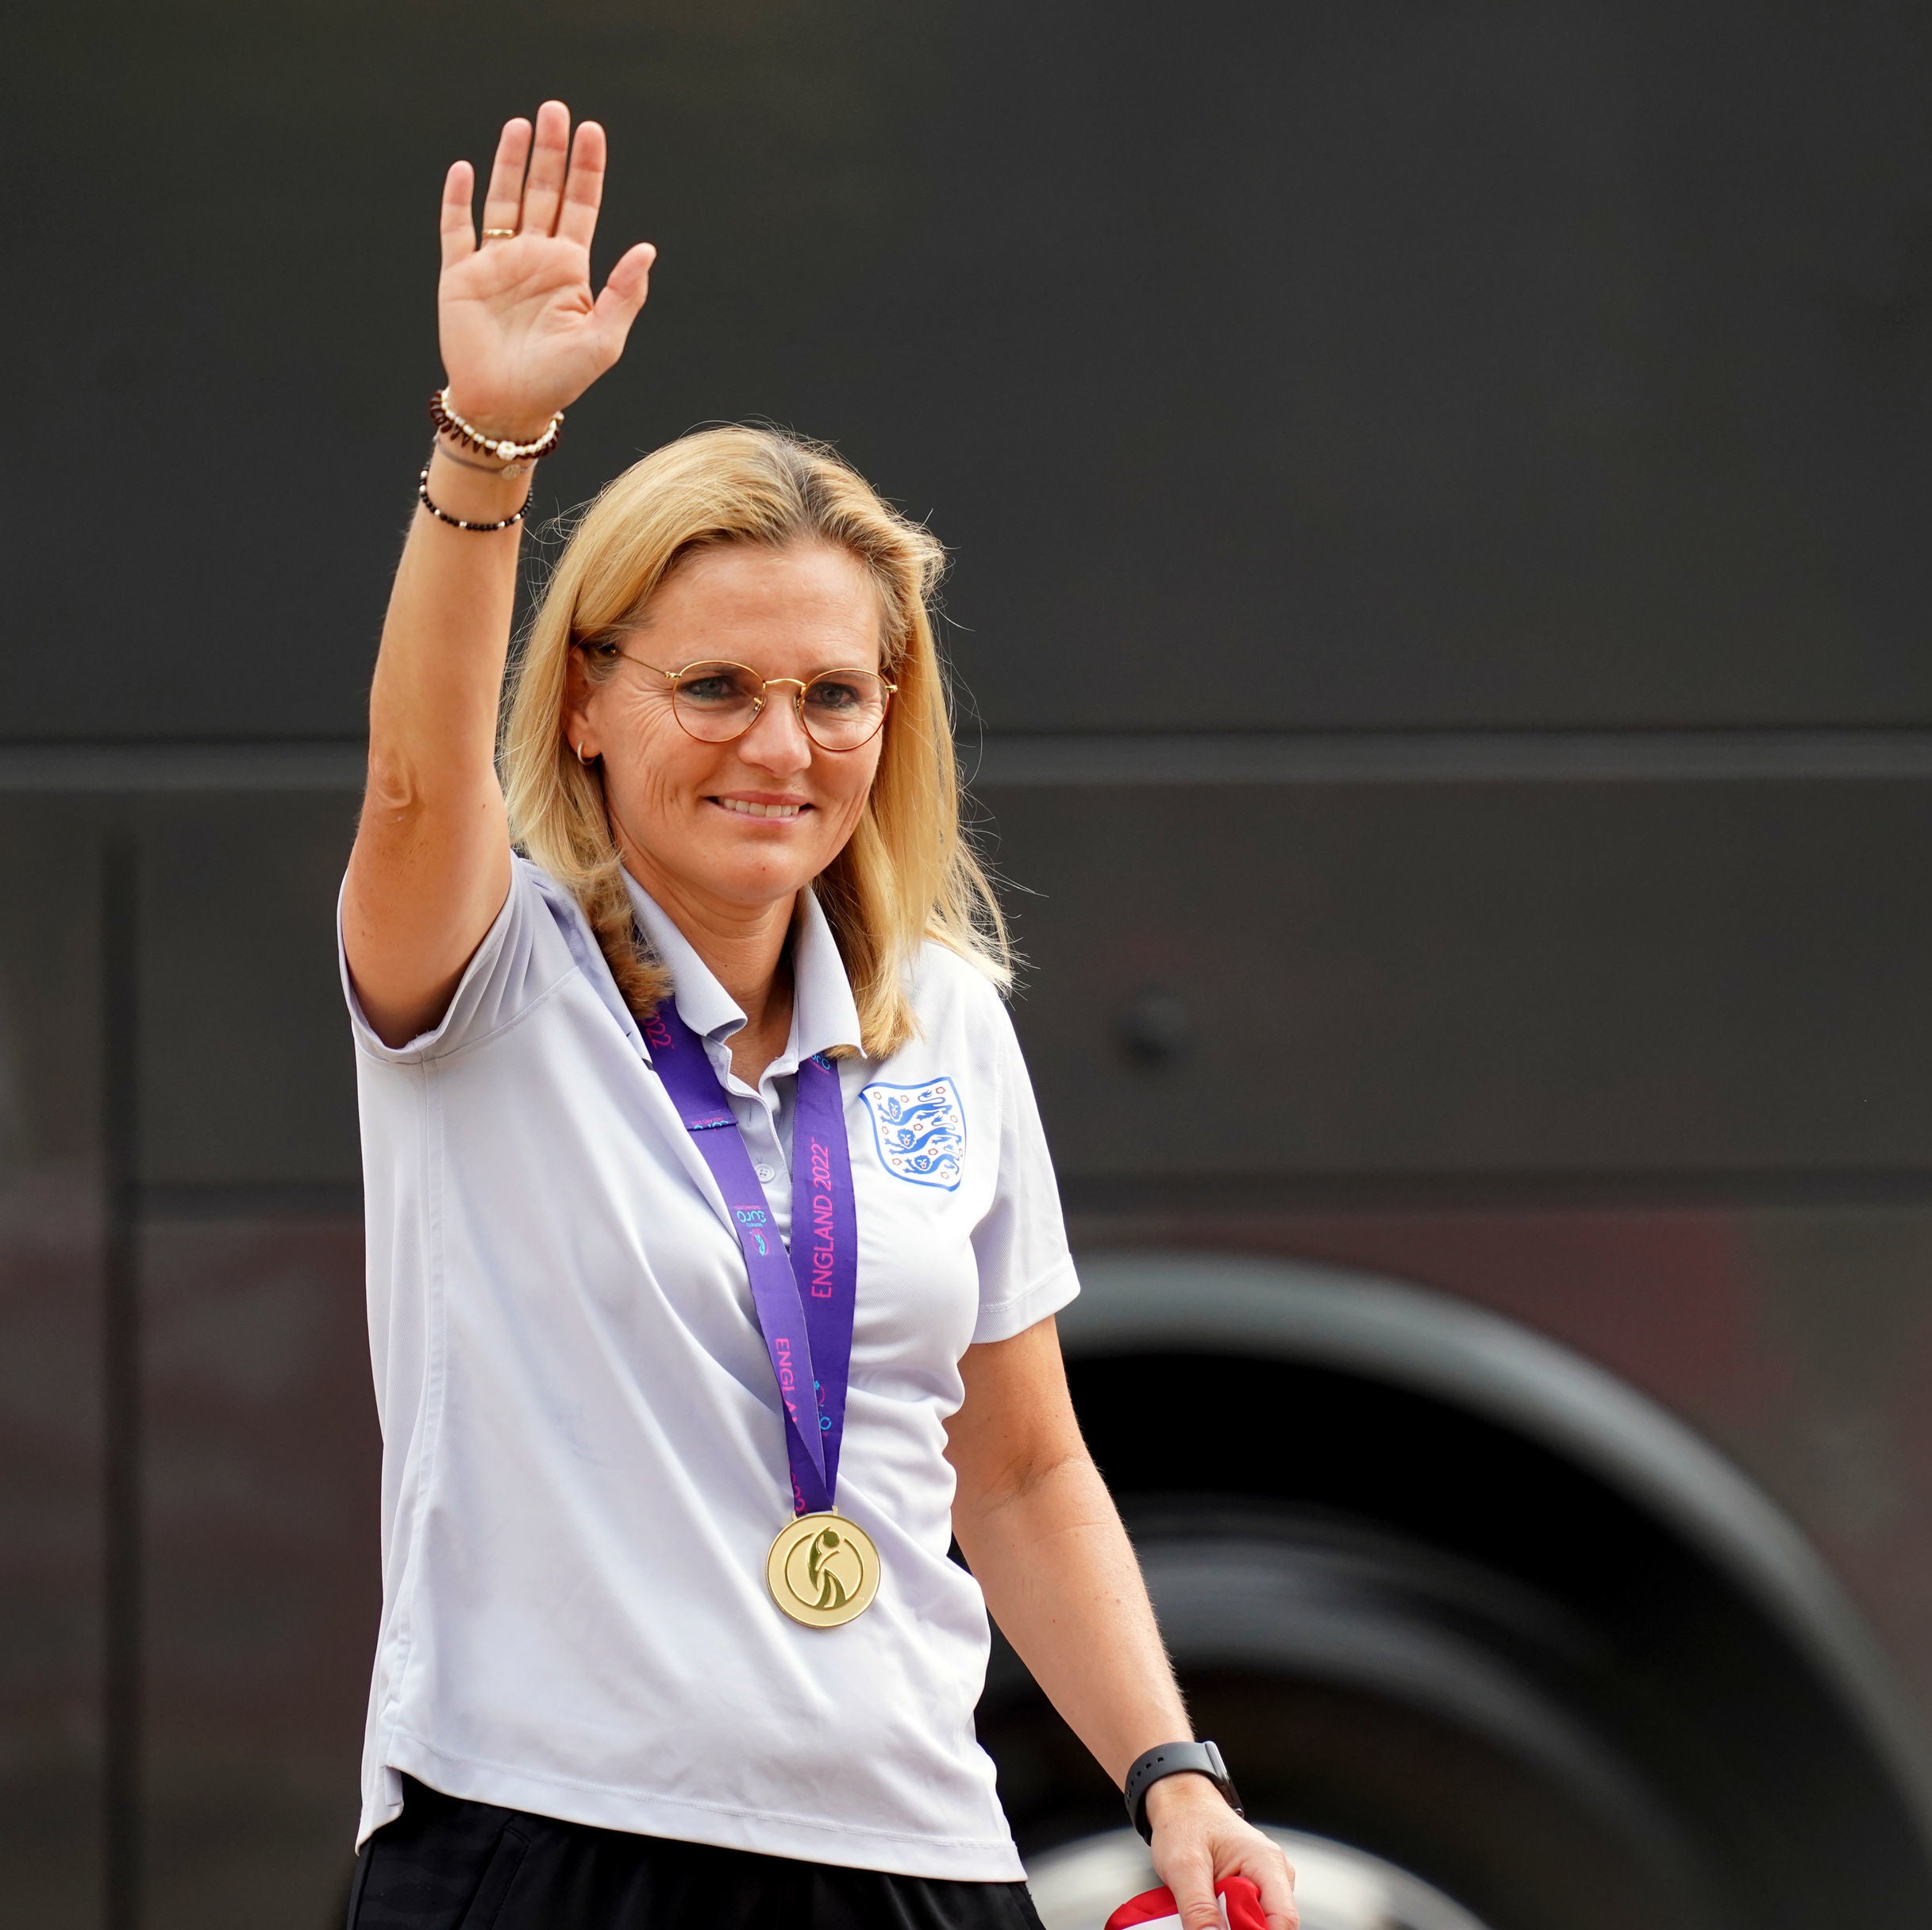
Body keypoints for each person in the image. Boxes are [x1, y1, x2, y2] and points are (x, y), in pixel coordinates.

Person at [337, 99, 1300, 1930]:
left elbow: (1017, 1465)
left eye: (833, 695)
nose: (781, 748)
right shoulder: (492, 977)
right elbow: (408, 782)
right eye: (712, 686)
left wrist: (1172, 1772)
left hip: (911, 1865)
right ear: (586, 708)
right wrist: (492, 440)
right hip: (547, 1852)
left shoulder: (940, 1014)